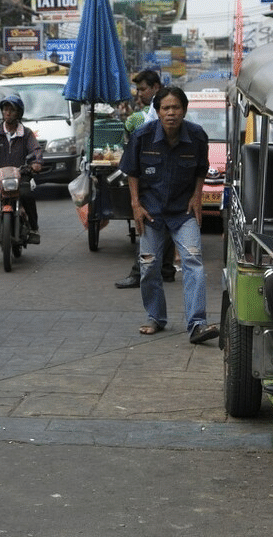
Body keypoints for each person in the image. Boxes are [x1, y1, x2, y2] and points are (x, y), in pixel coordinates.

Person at [119, 87, 217, 344]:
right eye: (166, 108)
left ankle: (197, 324)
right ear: (158, 111)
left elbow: (201, 169)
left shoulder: (197, 136)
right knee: (149, 265)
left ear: (184, 110)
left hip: (183, 212)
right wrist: (135, 205)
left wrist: (197, 197)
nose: (171, 113)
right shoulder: (142, 136)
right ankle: (155, 316)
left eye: (176, 108)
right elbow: (132, 172)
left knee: (193, 262)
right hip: (151, 212)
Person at [115, 69, 175, 288]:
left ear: (156, 88)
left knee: (148, 223)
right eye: (138, 90)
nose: (139, 94)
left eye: (143, 89)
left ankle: (139, 272)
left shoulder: (151, 115)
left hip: (158, 176)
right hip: (155, 174)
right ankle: (166, 269)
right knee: (163, 222)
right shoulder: (148, 113)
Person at [0, 94, 43, 244]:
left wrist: (36, 163)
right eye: (5, 109)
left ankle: (33, 228)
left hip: (21, 176)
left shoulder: (26, 133)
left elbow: (35, 150)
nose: (7, 113)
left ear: (18, 113)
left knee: (28, 196)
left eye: (11, 110)